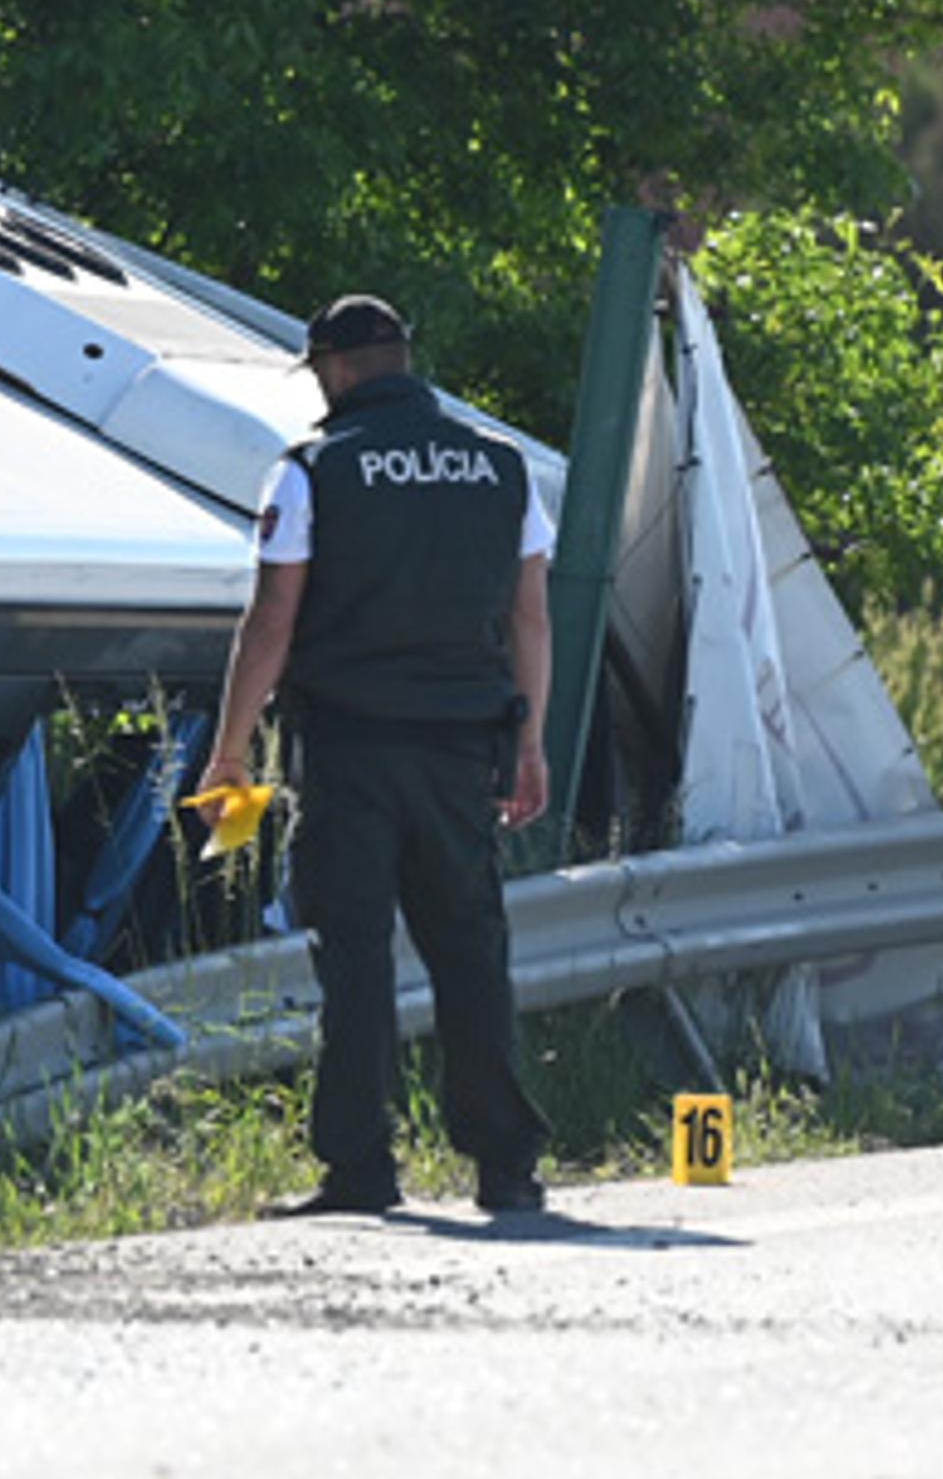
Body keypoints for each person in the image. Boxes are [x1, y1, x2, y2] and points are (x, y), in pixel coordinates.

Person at [196, 293, 555, 1217]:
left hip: (350, 749)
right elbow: (528, 617)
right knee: (470, 951)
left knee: (354, 957)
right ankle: (505, 1166)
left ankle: (360, 1169)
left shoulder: (311, 470)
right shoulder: (500, 466)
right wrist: (530, 742)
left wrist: (229, 750)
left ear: (335, 366)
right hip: (463, 749)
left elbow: (272, 621)